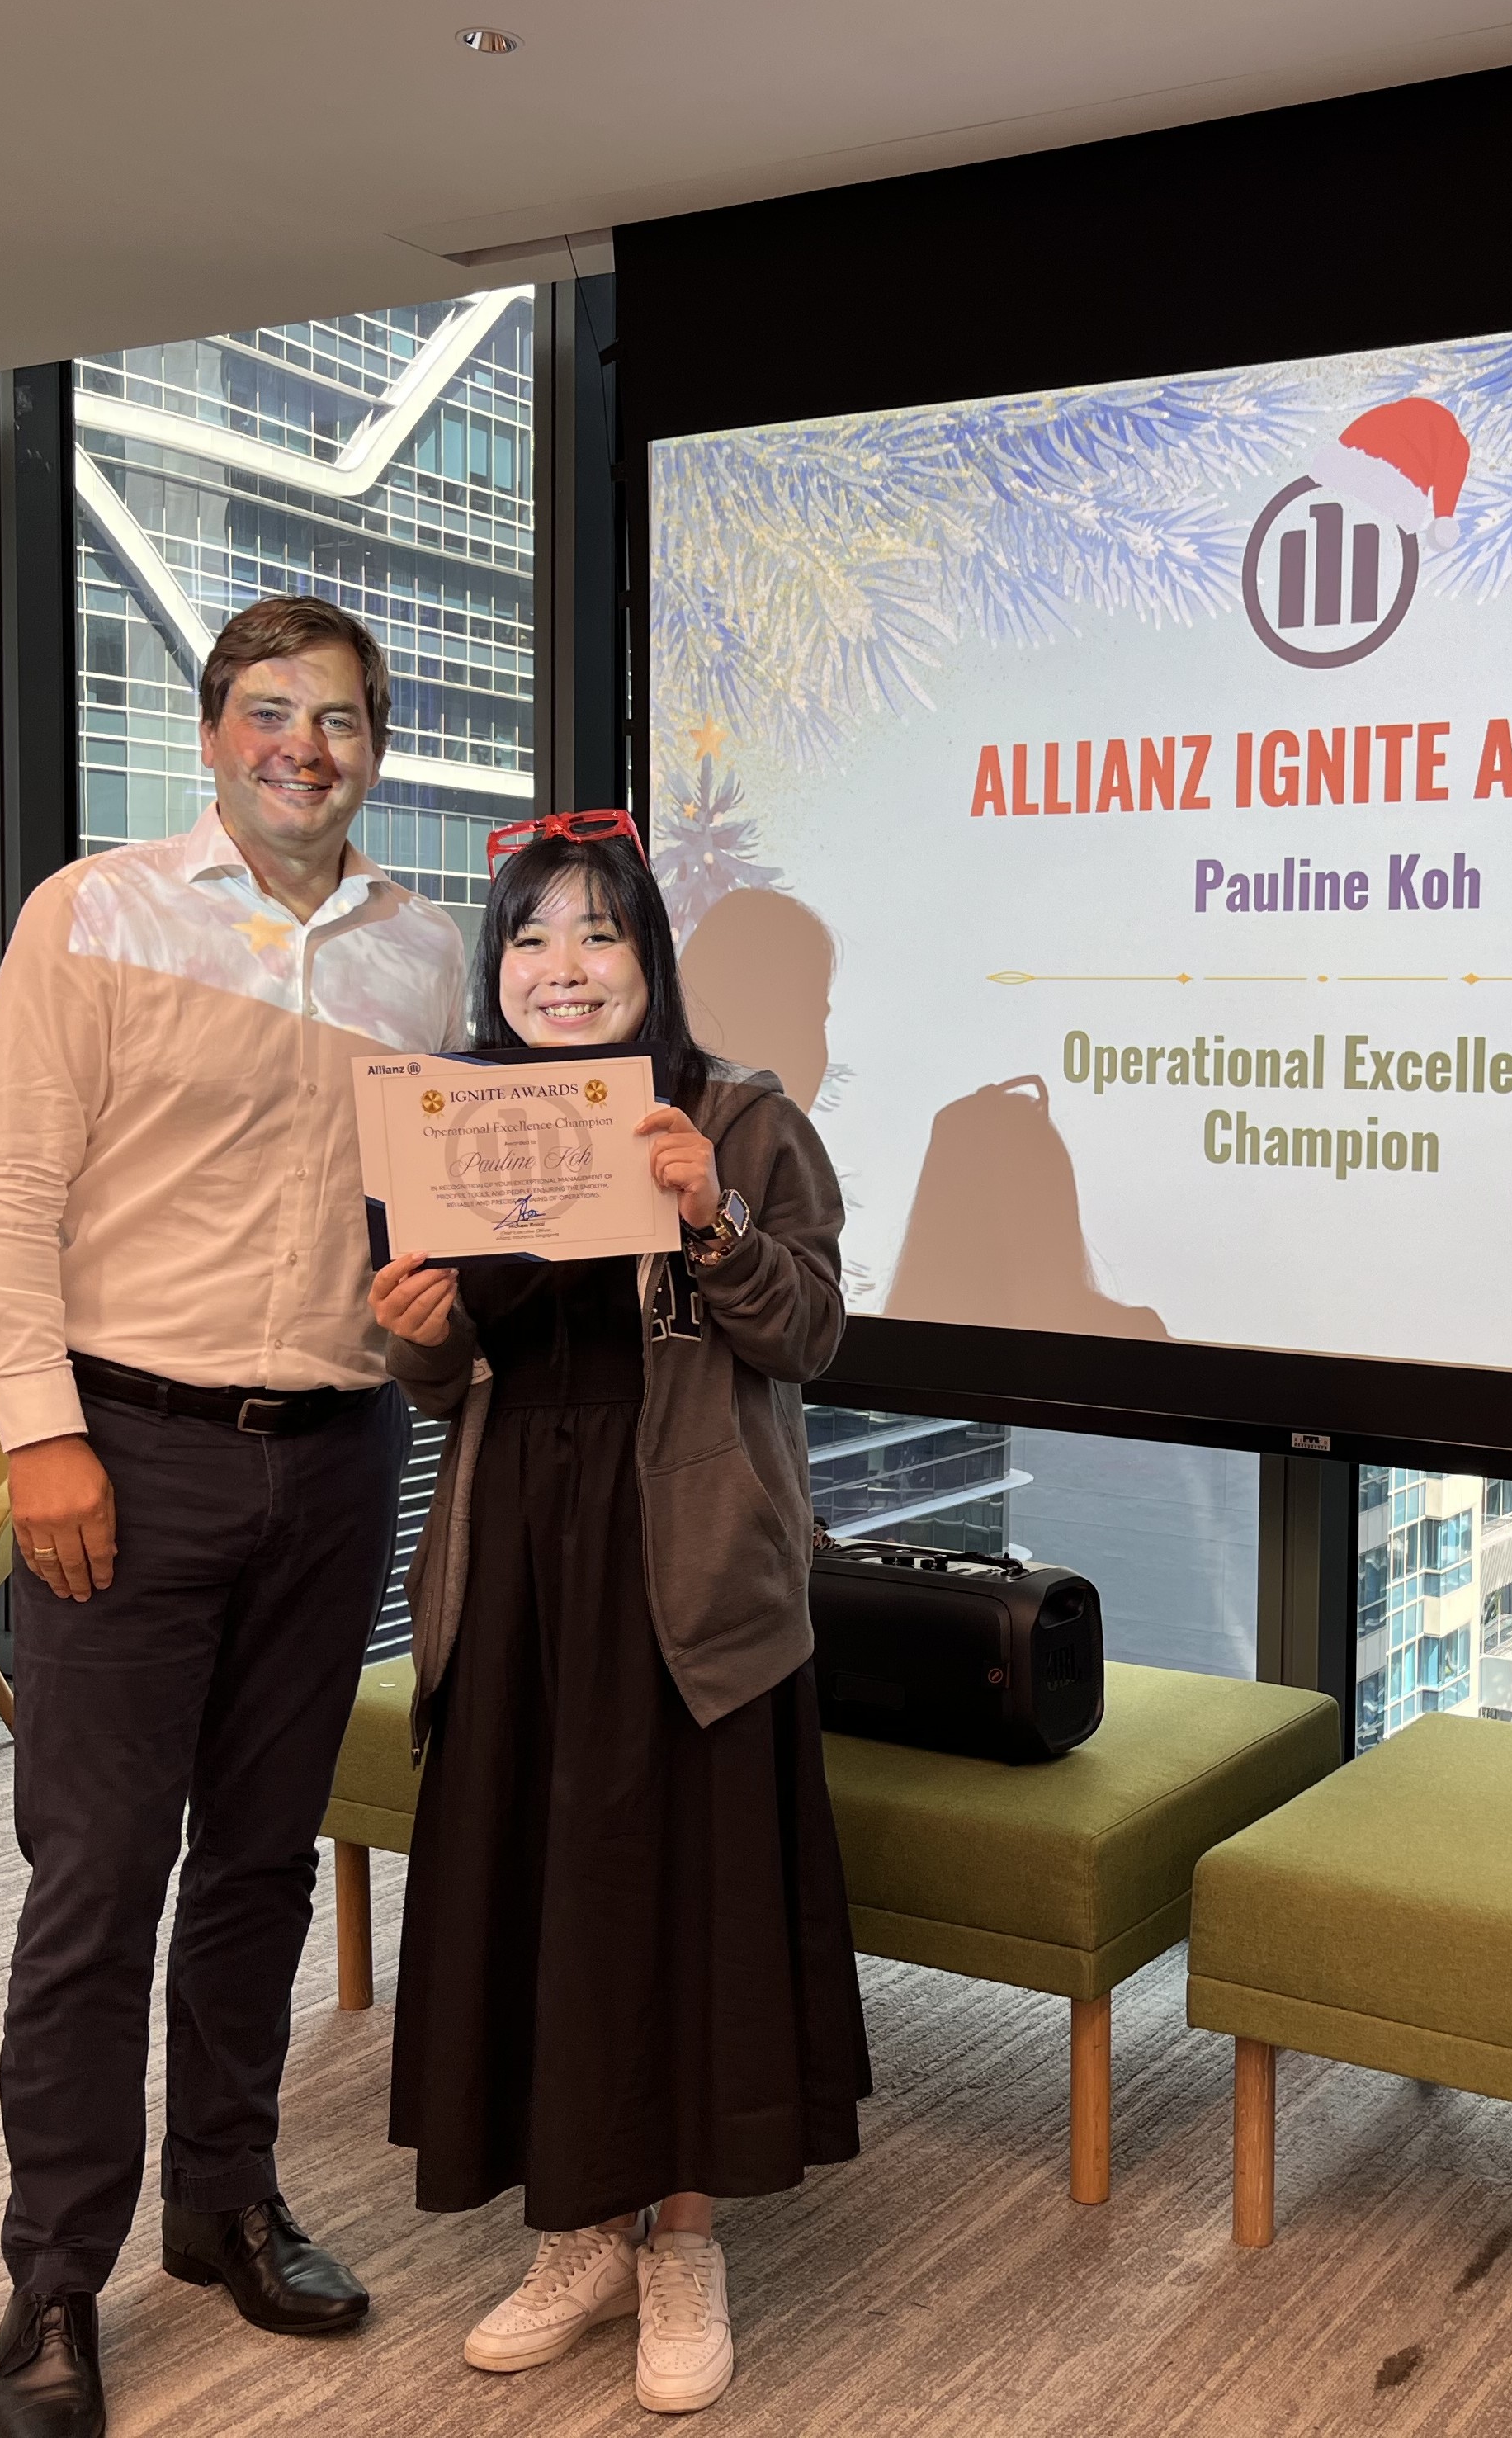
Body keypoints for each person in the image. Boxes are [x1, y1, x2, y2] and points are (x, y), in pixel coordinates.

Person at [0, 595, 468, 2438]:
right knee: (95, 1880)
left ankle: (223, 2198)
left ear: (376, 745)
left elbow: (425, 1223)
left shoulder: (425, 956)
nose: (305, 746)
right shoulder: (97, 914)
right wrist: (40, 1437)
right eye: (269, 711)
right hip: (125, 1454)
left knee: (259, 1860)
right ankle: (52, 2282)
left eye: (341, 718)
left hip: (337, 1458)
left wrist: (441, 1320)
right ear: (213, 730)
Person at [371, 815, 868, 2417]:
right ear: (498, 968)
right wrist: (415, 1333)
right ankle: (579, 2232)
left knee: (686, 1903)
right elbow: (446, 1377)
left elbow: (812, 1337)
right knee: (542, 1890)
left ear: (650, 957)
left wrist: (713, 1218)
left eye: (599, 934)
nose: (564, 969)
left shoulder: (740, 1114)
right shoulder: (454, 1120)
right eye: (531, 938)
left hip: (690, 1571)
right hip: (518, 1558)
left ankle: (684, 2246)